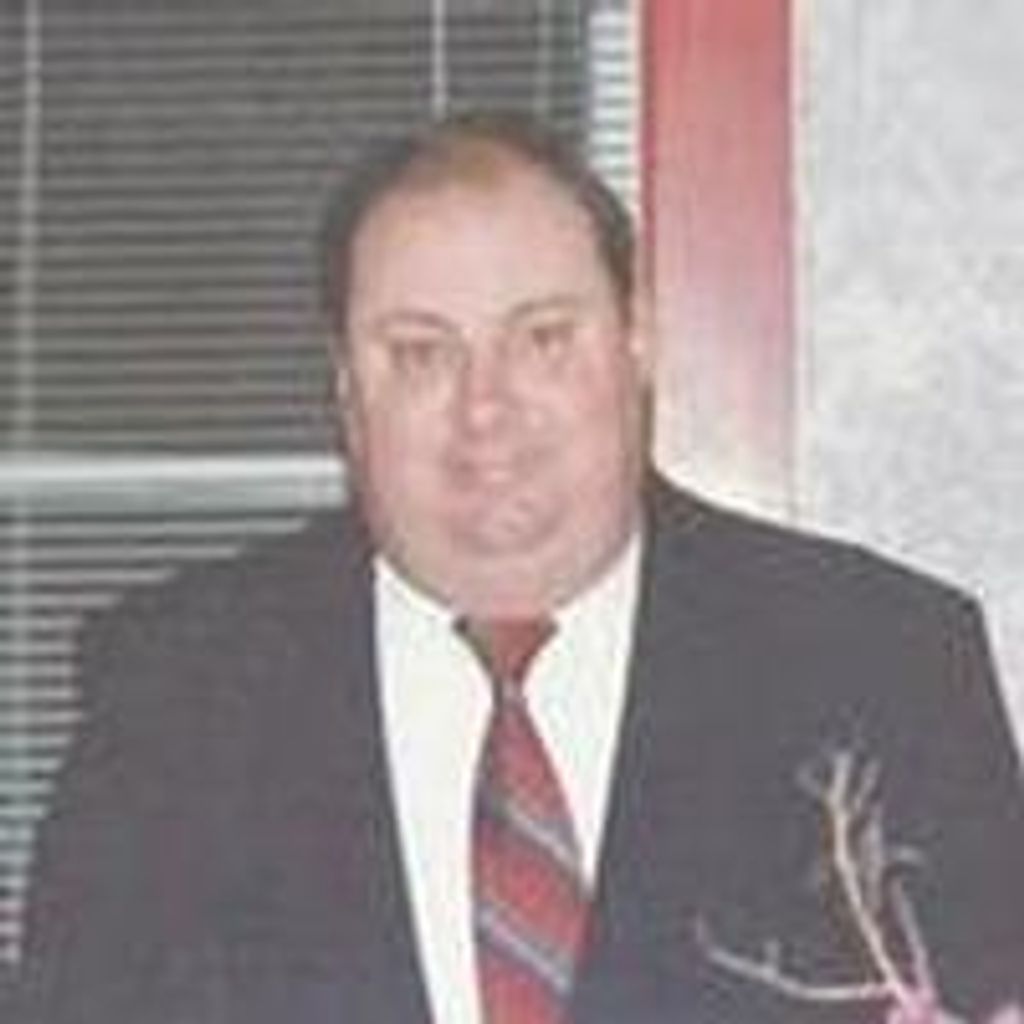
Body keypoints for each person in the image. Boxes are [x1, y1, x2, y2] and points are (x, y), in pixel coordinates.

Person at [17, 112, 1024, 1024]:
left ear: (636, 340)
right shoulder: (178, 696)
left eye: (543, 338)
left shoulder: (877, 668)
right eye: (420, 353)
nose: (485, 408)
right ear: (345, 388)